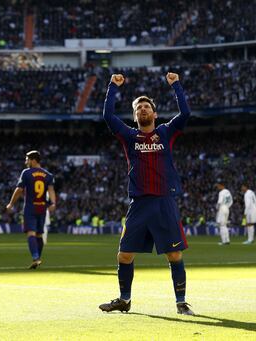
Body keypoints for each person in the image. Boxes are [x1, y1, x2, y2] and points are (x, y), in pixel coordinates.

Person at [99, 72, 194, 315]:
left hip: (164, 201)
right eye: (139, 107)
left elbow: (185, 114)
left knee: (174, 254)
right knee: (124, 255)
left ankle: (181, 302)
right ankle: (124, 299)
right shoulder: (130, 136)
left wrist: (176, 85)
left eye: (147, 106)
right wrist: (113, 87)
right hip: (139, 204)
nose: (143, 109)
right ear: (134, 116)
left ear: (154, 113)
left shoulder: (165, 132)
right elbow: (108, 116)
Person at [6, 150, 56, 269]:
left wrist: (11, 204)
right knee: (39, 235)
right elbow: (51, 190)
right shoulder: (48, 175)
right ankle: (37, 257)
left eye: (27, 159)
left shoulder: (26, 173)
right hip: (42, 208)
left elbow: (19, 190)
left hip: (30, 207)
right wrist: (53, 203)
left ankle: (35, 258)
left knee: (31, 233)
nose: (26, 162)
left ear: (33, 160)